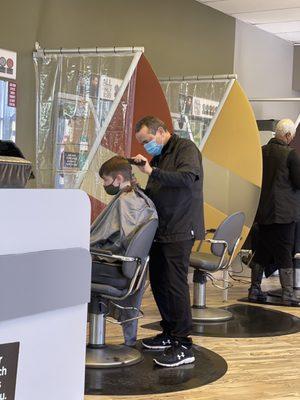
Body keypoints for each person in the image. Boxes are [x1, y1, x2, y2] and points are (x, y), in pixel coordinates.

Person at [133, 115, 204, 367]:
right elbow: (157, 190)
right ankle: (168, 332)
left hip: (181, 228)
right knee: (160, 283)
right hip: (161, 229)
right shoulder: (160, 156)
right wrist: (134, 187)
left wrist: (152, 171)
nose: (146, 147)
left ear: (161, 131)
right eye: (142, 144)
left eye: (147, 141)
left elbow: (186, 179)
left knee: (175, 285)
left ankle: (183, 343)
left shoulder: (186, 149)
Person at [90, 155, 158, 345]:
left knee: (66, 267)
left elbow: (116, 239)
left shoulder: (126, 202)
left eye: (106, 180)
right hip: (130, 270)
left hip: (117, 268)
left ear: (118, 179)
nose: (105, 184)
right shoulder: (141, 199)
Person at [248, 119, 300, 305]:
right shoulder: (290, 155)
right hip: (284, 214)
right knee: (285, 251)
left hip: (262, 212)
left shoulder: (261, 152)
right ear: (287, 136)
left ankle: (254, 289)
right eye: (291, 136)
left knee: (261, 251)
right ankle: (288, 293)